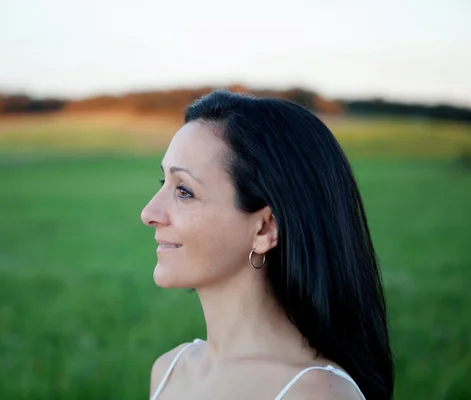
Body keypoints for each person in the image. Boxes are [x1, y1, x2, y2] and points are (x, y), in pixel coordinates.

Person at [140, 90, 394, 399]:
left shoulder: (316, 394)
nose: (149, 213)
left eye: (184, 191)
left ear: (265, 228)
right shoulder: (169, 371)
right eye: (162, 183)